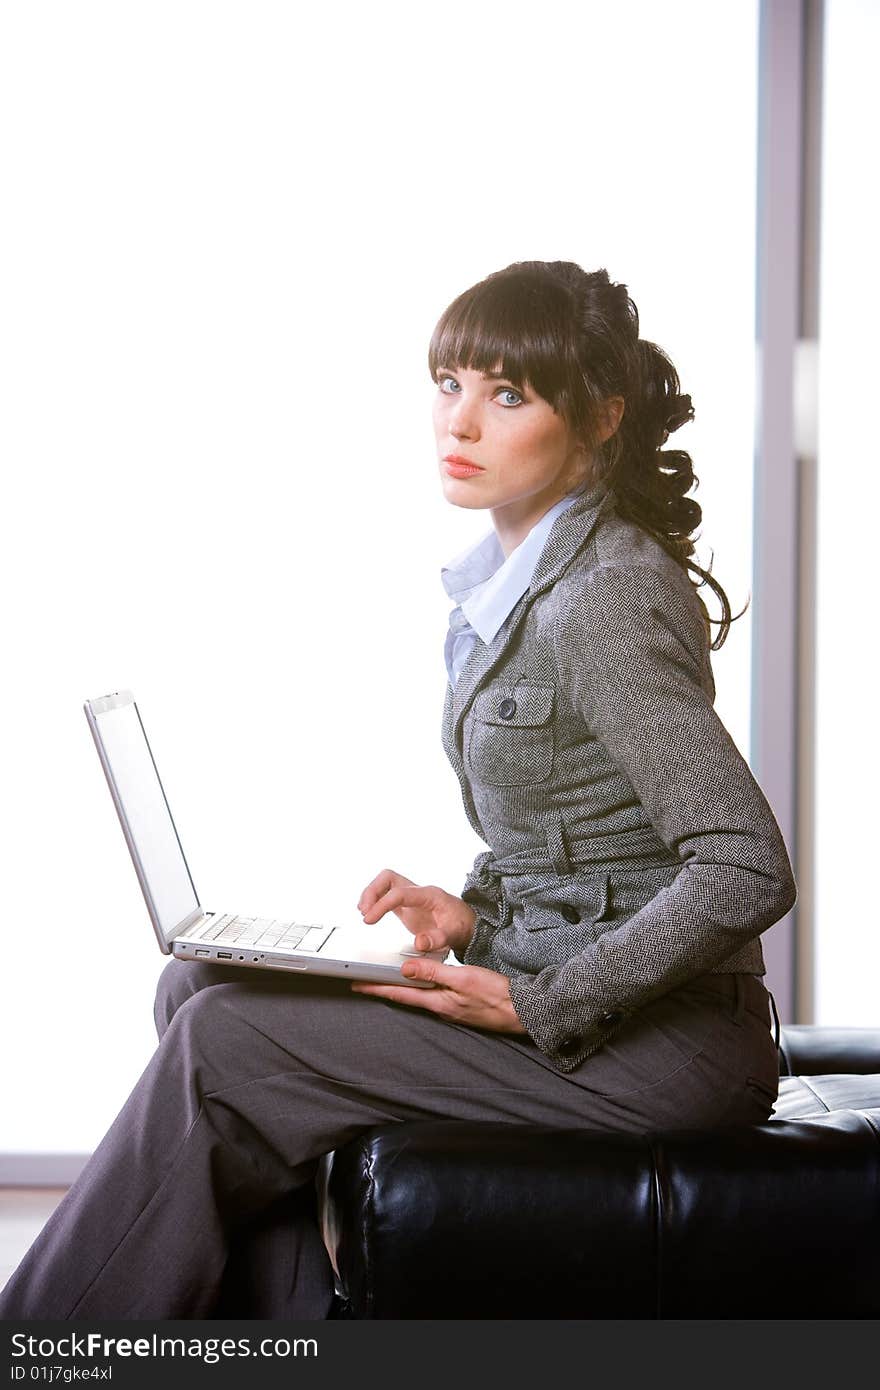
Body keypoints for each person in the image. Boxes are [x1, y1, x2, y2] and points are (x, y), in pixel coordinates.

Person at [0, 260, 796, 1321]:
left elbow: (744, 867)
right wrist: (475, 916)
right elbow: (594, 837)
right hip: (583, 994)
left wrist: (537, 997)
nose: (459, 420)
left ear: (599, 418)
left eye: (509, 394)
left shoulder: (599, 600)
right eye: (449, 381)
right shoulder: (506, 581)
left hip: (667, 1050)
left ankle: (40, 1345)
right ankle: (282, 1336)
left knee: (225, 1045)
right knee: (197, 992)